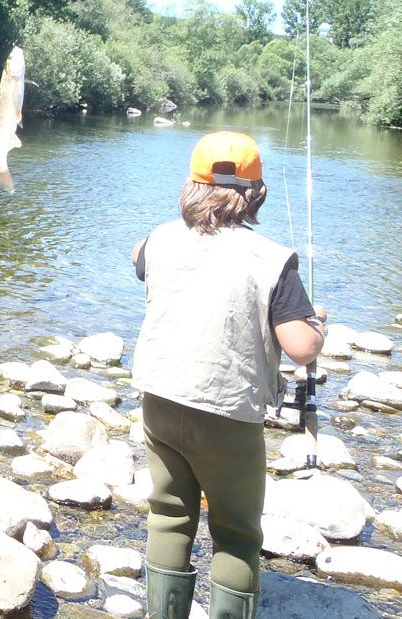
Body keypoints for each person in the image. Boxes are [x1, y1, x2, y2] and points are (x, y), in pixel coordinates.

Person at [129, 132, 326, 619]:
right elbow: (300, 348)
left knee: (169, 516)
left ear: (191, 186)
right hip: (227, 413)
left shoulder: (157, 239)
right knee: (237, 532)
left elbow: (139, 258)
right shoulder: (273, 258)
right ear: (256, 192)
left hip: (159, 399)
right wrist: (316, 325)